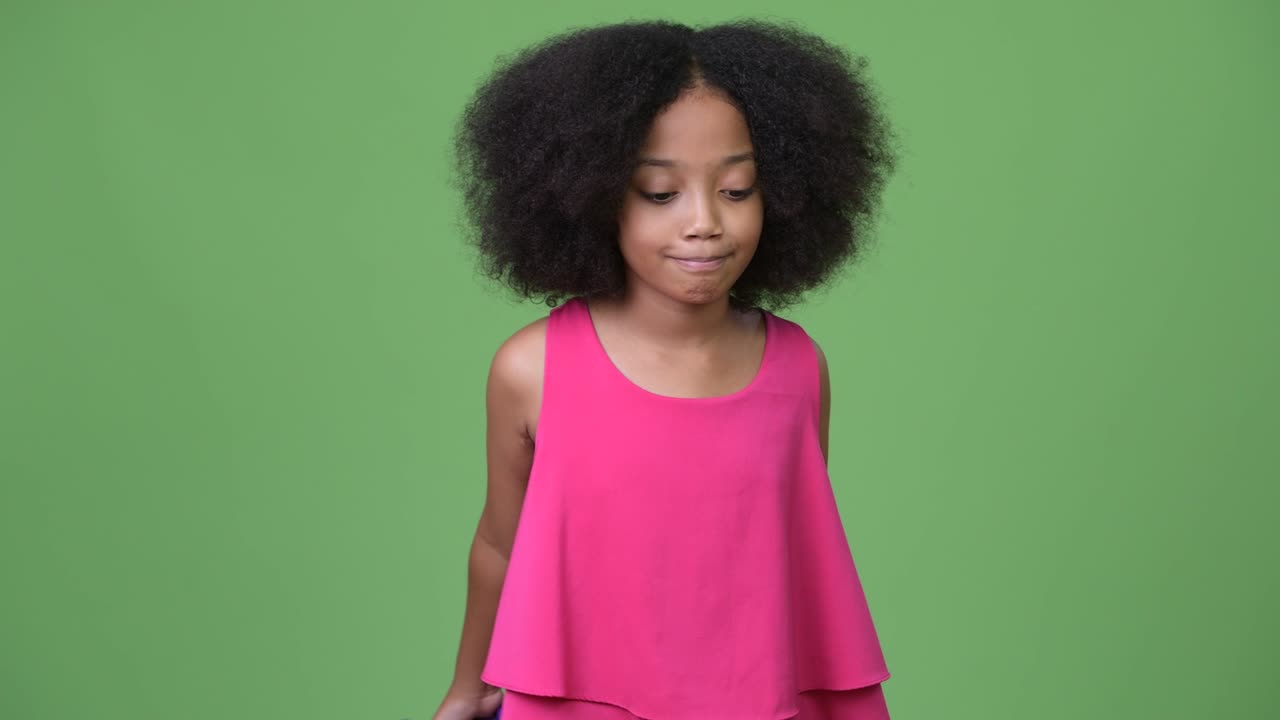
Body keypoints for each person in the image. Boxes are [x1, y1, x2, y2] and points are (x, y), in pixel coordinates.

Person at [432, 18, 900, 720]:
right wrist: (466, 690)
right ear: (593, 195)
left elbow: (789, 563)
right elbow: (499, 544)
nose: (704, 222)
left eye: (737, 190)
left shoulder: (799, 366)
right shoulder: (532, 368)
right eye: (660, 193)